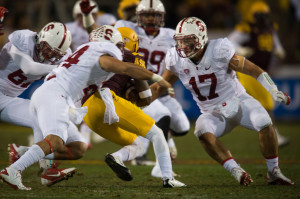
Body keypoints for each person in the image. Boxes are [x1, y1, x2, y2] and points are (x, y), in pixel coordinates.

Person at [0, 25, 185, 190]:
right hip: (56, 95)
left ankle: (44, 169)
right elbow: (126, 70)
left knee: (78, 146)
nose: (120, 51)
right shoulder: (103, 53)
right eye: (118, 46)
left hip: (51, 96)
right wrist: (158, 78)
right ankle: (13, 170)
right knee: (55, 140)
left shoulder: (83, 50)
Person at [150, 16, 294, 186]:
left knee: (265, 122)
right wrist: (138, 102)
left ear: (201, 38)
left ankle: (274, 172)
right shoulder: (175, 58)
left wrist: (273, 89)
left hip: (238, 101)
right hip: (212, 112)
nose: (182, 46)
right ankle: (236, 171)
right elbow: (160, 87)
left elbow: (252, 69)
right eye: (180, 42)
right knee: (202, 131)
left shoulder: (219, 49)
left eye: (188, 41)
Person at [0, 21, 89, 189]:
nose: (49, 55)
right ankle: (22, 170)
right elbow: (29, 68)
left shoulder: (63, 56)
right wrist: (61, 67)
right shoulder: (23, 39)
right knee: (41, 117)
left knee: (77, 142)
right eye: (48, 49)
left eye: (56, 54)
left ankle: (35, 162)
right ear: (40, 39)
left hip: (12, 98)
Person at [114, 0, 190, 177]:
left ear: (162, 17)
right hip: (139, 88)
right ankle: (160, 165)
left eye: (154, 15)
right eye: (146, 15)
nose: (150, 19)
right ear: (138, 17)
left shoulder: (172, 36)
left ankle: (166, 137)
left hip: (161, 89)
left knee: (183, 127)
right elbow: (110, 32)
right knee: (163, 116)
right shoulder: (127, 29)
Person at [228, 1, 290, 147]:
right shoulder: (246, 28)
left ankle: (271, 133)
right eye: (259, 15)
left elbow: (275, 42)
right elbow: (230, 42)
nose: (262, 18)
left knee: (259, 103)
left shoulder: (271, 28)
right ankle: (274, 135)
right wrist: (241, 50)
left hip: (261, 72)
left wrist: (279, 49)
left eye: (264, 15)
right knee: (267, 105)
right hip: (250, 72)